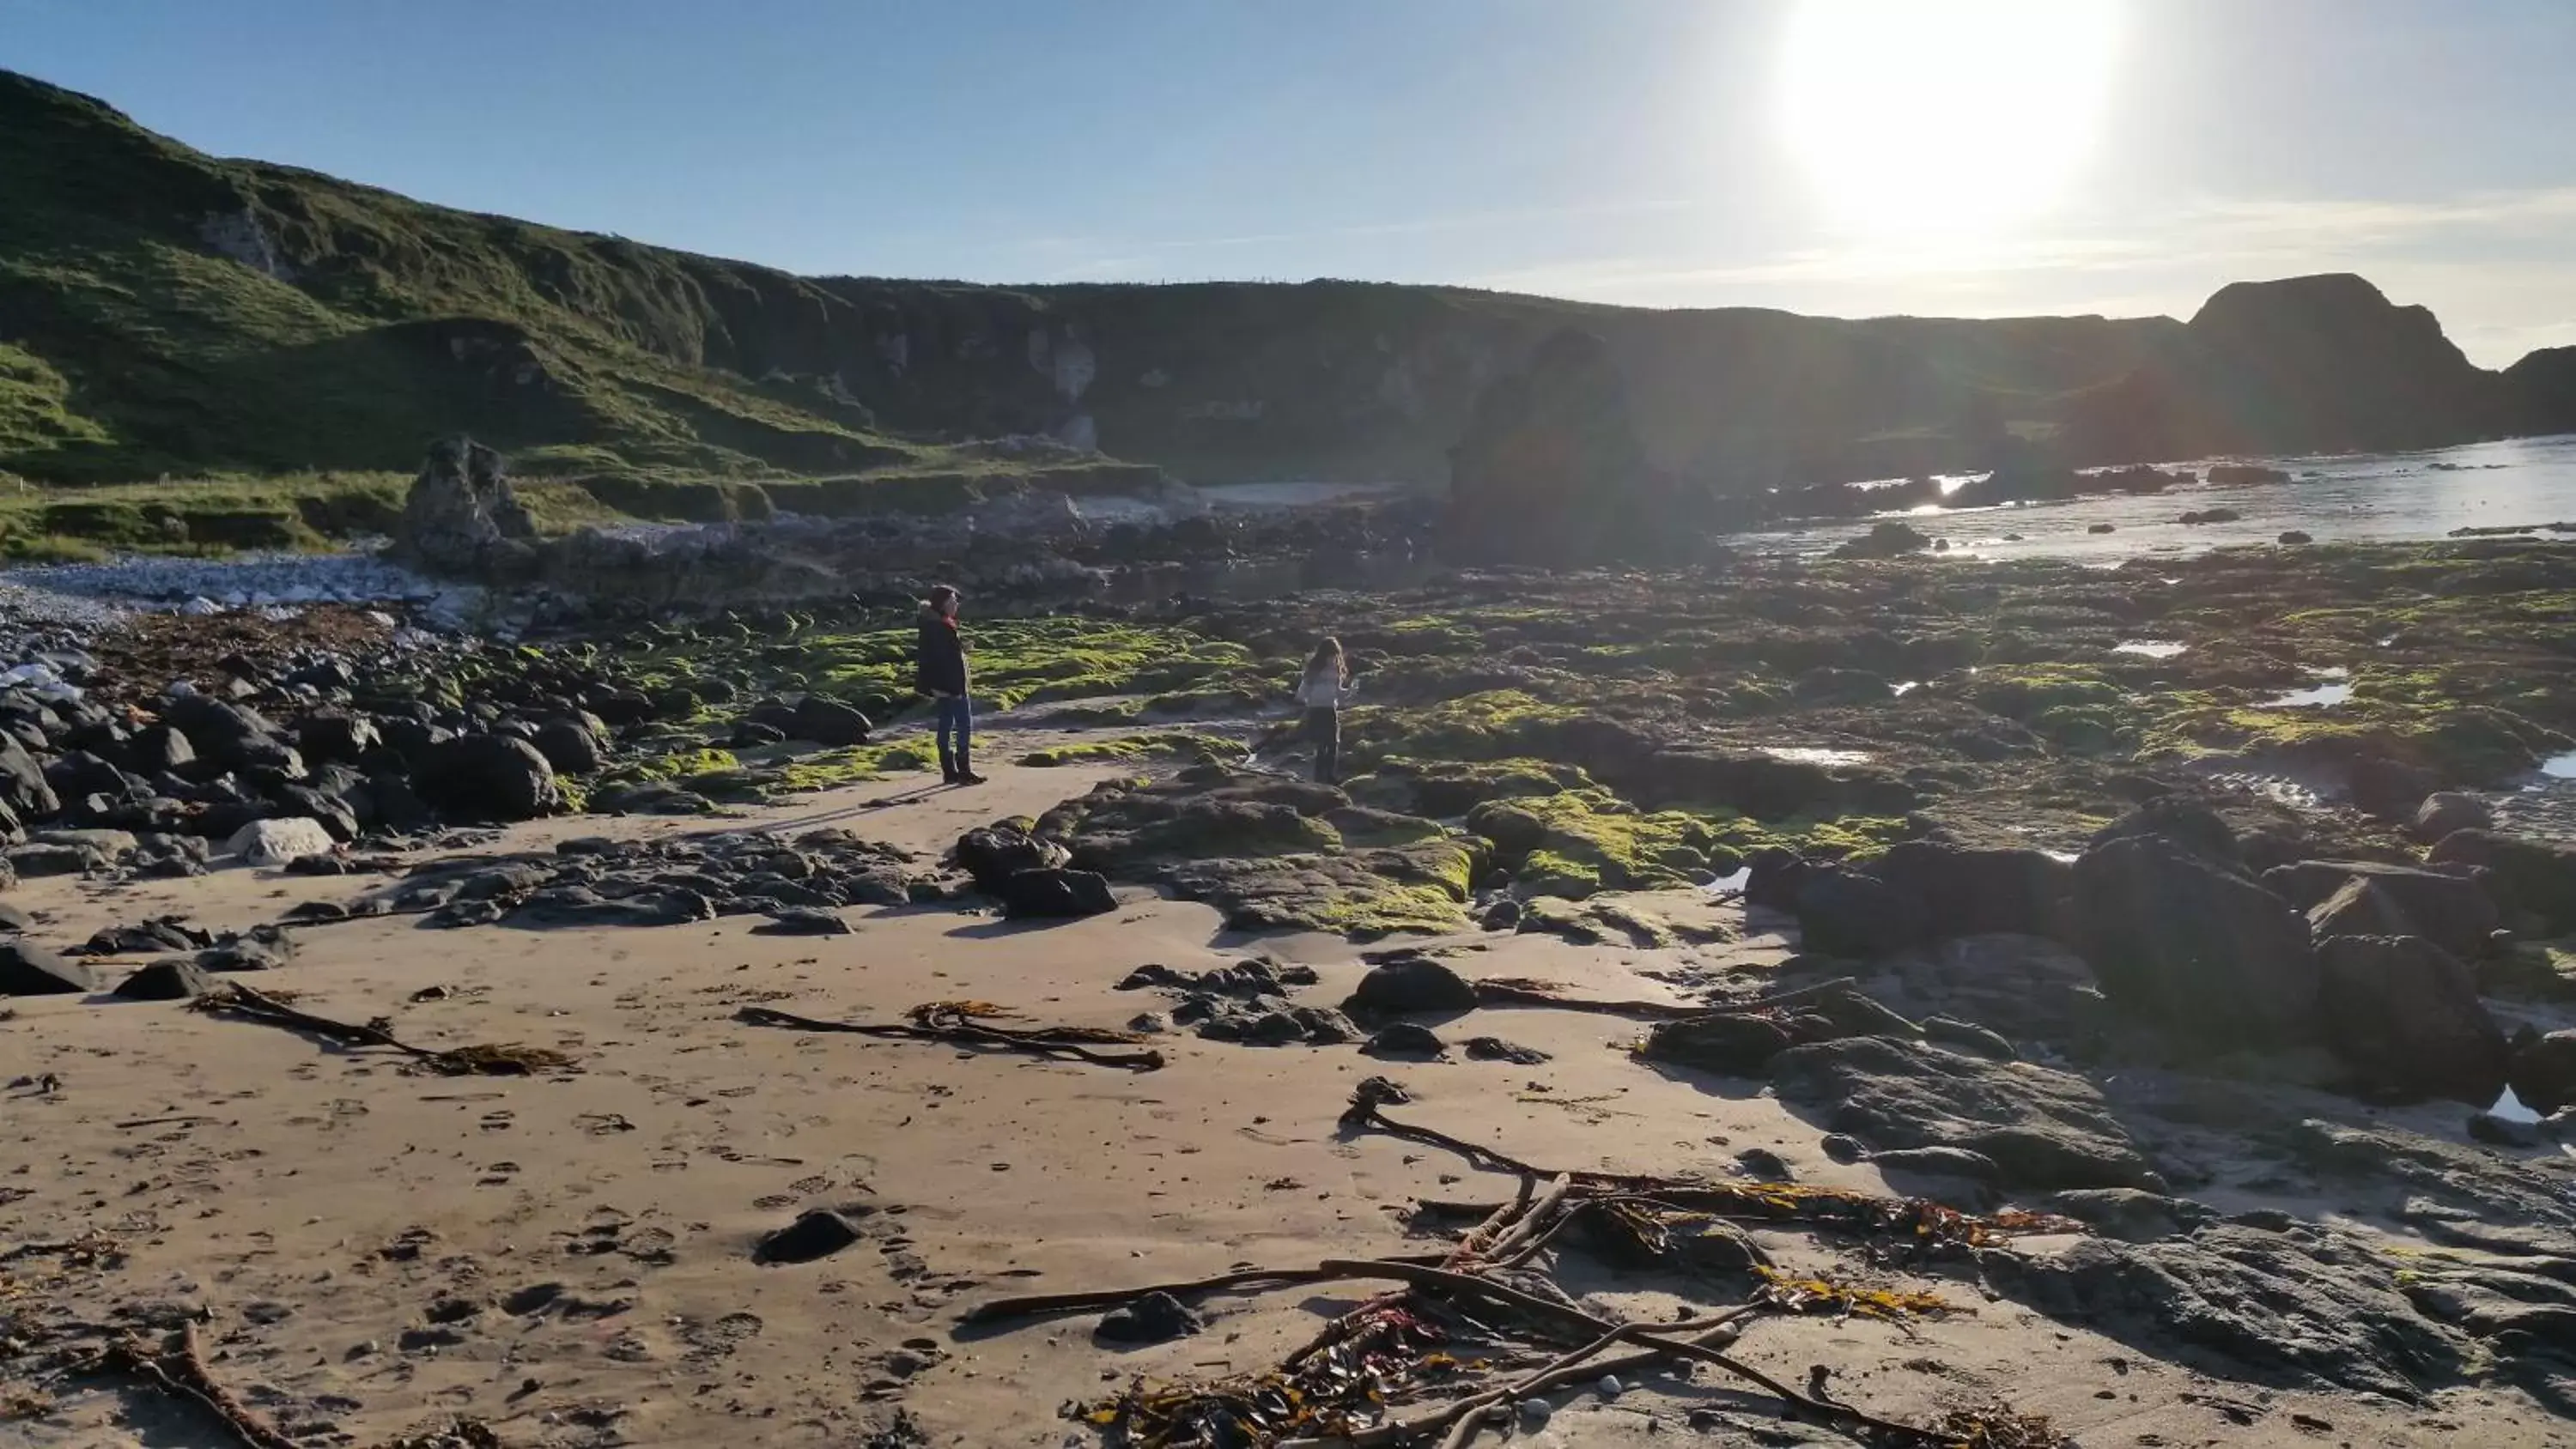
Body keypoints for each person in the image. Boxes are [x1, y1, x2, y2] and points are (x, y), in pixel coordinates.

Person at [915, 584, 983, 785]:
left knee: (946, 725)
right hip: (951, 685)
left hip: (945, 684)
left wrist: (961, 649)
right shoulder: (938, 626)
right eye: (953, 601)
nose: (956, 605)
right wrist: (952, 688)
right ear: (943, 604)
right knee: (963, 725)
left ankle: (950, 771)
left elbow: (940, 656)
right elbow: (938, 660)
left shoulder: (936, 623)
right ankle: (963, 771)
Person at [1293, 637, 1358, 784]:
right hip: (1317, 709)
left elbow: (1338, 693)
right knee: (1323, 744)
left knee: (1333, 743)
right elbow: (1305, 687)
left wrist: (1350, 691)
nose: (1333, 658)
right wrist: (1302, 699)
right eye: (1331, 654)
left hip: (1330, 708)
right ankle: (1320, 776)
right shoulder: (1315, 668)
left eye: (1335, 655)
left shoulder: (1337, 670)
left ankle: (1328, 776)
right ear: (1324, 654)